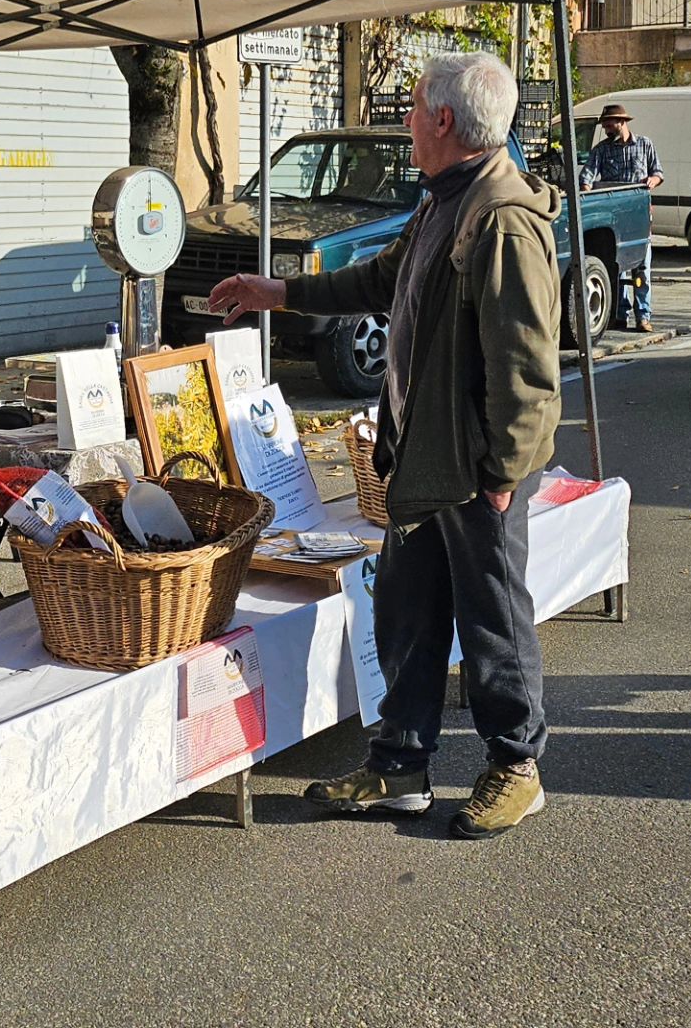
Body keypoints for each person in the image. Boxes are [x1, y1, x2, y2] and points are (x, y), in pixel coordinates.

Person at [208, 52, 561, 839]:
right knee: (406, 614)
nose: (405, 120)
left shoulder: (499, 215)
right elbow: (381, 282)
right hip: (425, 461)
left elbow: (529, 366)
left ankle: (517, 768)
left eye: (411, 108)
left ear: (443, 120)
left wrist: (502, 474)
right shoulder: (445, 201)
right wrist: (280, 292)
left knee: (494, 621)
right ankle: (400, 767)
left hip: (472, 470)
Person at [578, 102, 662, 332]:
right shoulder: (601, 149)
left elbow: (658, 172)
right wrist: (586, 189)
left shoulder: (645, 144)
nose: (606, 129)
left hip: (638, 213)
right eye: (604, 125)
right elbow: (586, 175)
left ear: (622, 123)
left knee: (642, 269)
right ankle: (619, 314)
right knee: (618, 266)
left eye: (609, 125)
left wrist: (651, 182)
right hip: (614, 216)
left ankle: (643, 316)